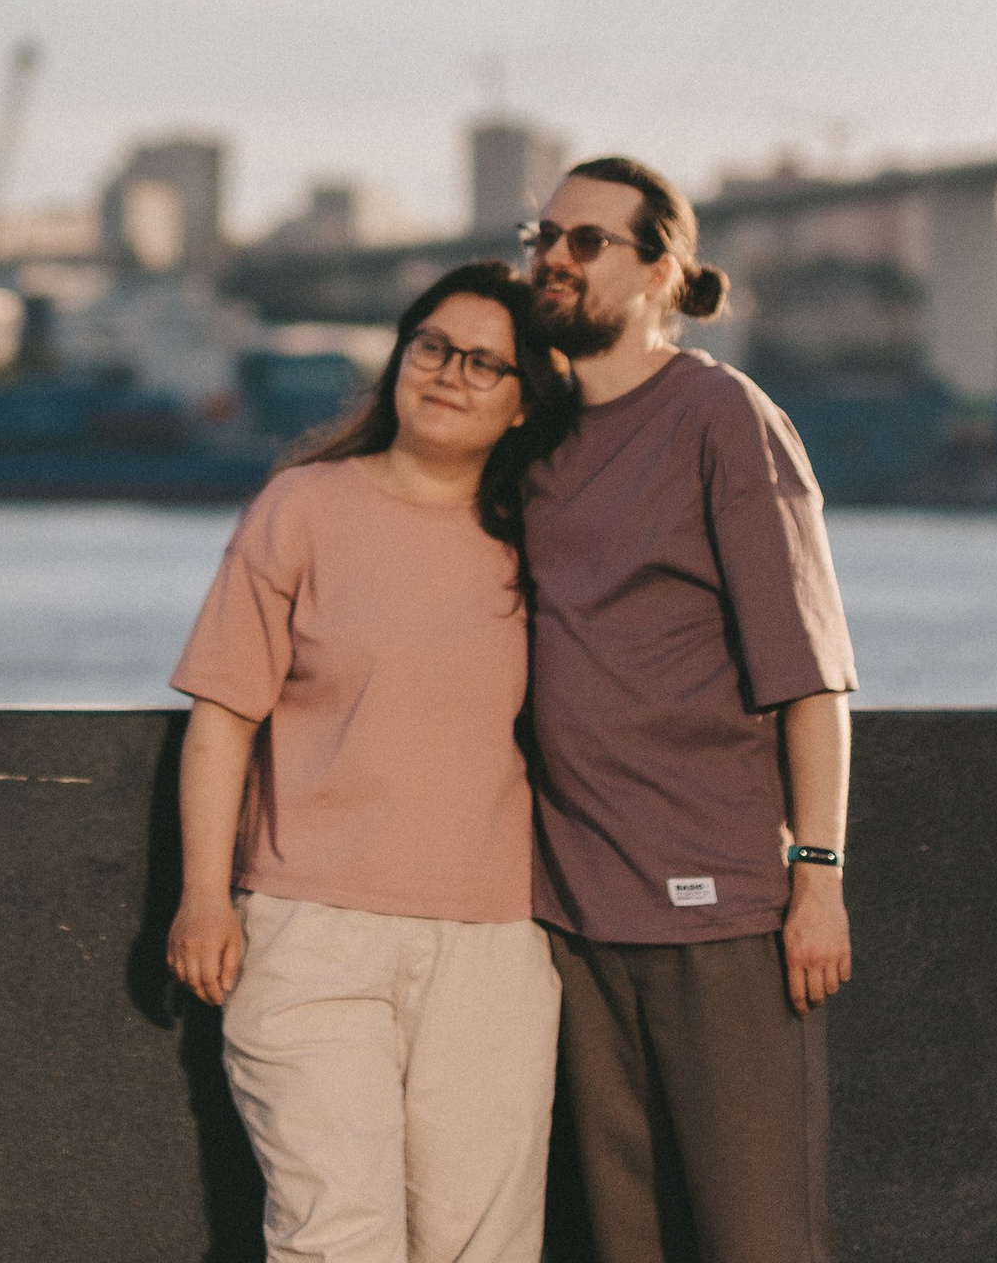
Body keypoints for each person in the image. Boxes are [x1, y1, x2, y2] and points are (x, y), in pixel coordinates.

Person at [165, 261, 578, 1263]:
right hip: (308, 932)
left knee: (481, 1245)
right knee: (334, 1235)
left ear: (526, 404)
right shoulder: (301, 506)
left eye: (486, 363)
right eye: (433, 346)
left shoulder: (550, 544)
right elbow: (222, 715)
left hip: (492, 944)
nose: (449, 373)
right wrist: (203, 897)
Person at [518, 156, 858, 1263]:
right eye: (543, 235)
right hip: (566, 918)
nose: (551, 259)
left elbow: (808, 673)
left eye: (585, 241)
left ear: (660, 268)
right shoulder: (529, 432)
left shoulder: (724, 417)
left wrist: (815, 874)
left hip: (717, 915)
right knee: (626, 1245)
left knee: (756, 1239)